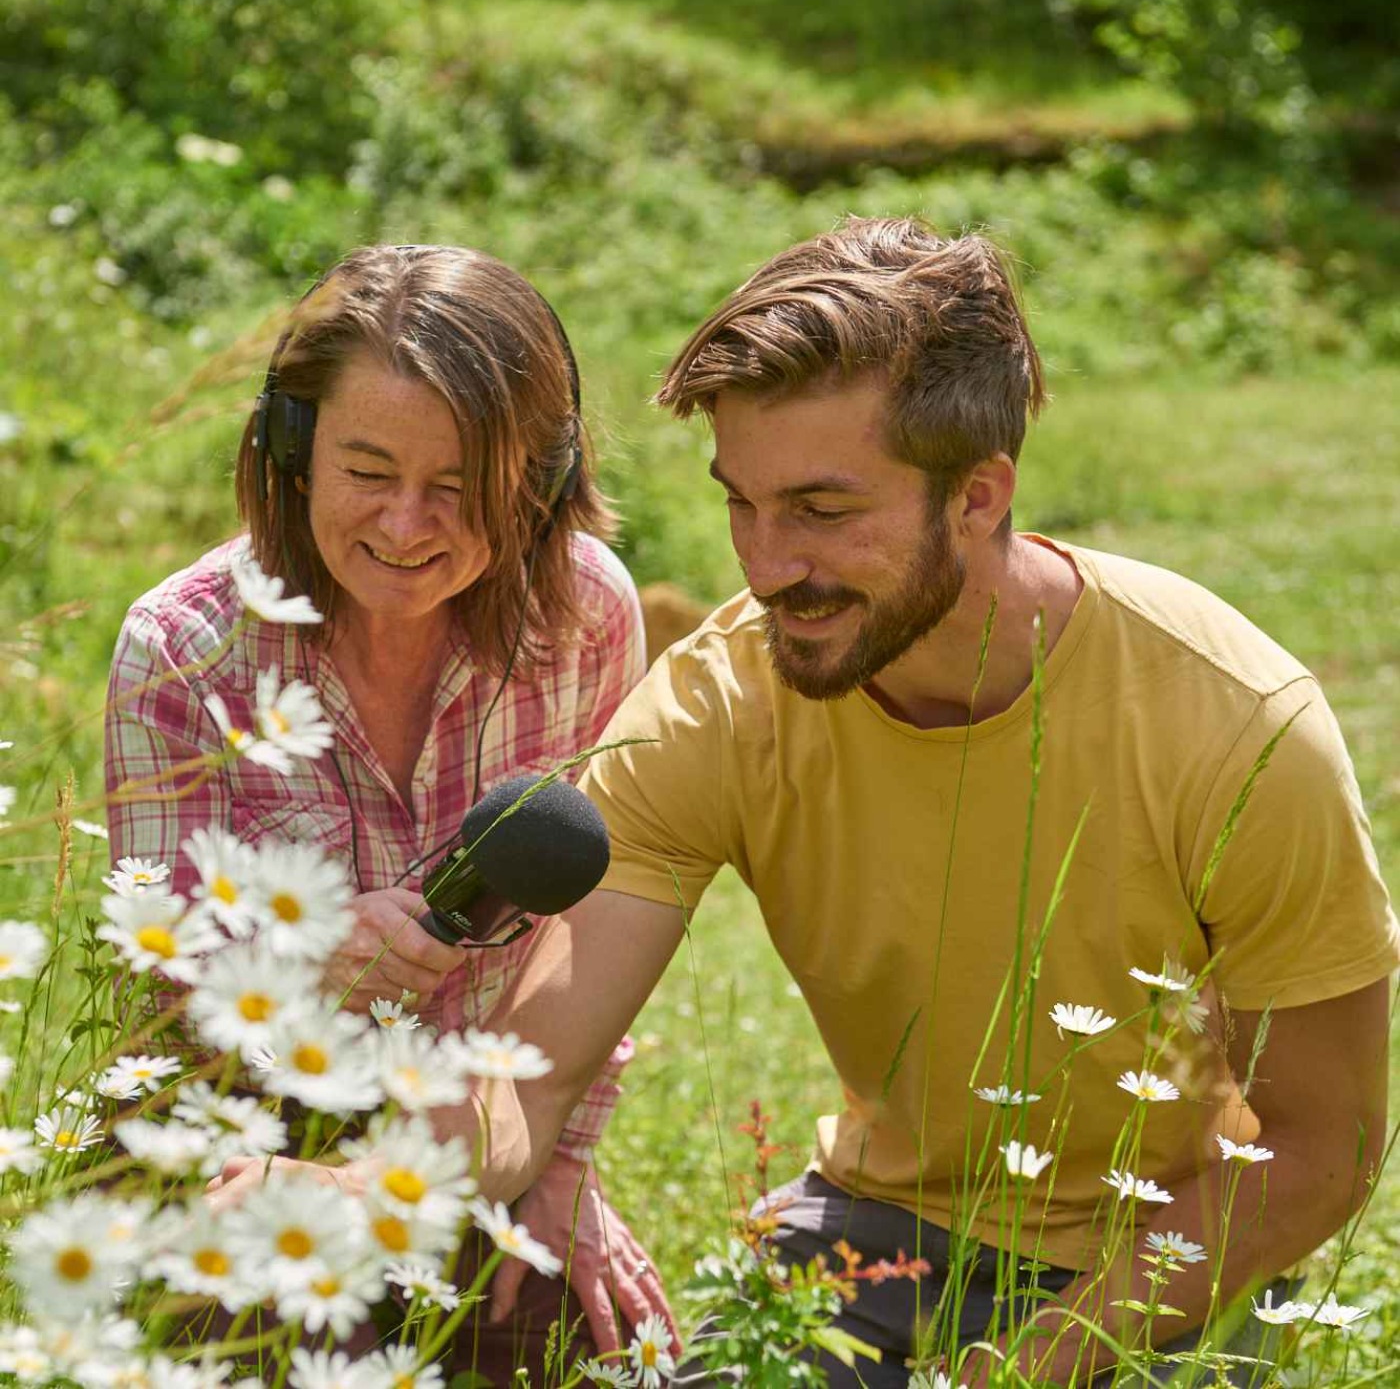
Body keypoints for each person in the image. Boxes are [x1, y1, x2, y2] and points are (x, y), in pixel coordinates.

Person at [466, 218, 1398, 1385]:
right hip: (875, 1229)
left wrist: (1032, 1361)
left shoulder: (1233, 720)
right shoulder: (719, 700)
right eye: (740, 504)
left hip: (1172, 1253)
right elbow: (535, 1071)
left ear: (975, 494)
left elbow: (1323, 1145)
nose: (763, 564)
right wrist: (355, 1190)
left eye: (819, 508)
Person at [104, 243, 674, 1376]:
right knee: (289, 1333)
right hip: (243, 1124)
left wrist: (561, 1160)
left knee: (606, 1346)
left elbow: (593, 924)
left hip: (475, 1123)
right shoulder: (182, 649)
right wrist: (313, 969)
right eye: (367, 470)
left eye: (459, 485)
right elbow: (169, 1012)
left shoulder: (590, 615)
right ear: (291, 451)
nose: (408, 525)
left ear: (541, 478)